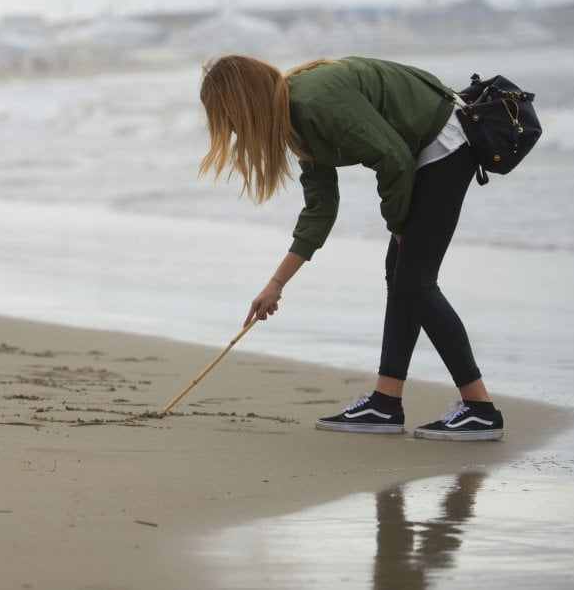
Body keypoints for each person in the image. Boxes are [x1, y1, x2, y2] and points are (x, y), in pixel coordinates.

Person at [199, 54, 504, 441]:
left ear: (243, 103)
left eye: (229, 118)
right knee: (404, 278)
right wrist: (275, 285)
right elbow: (320, 209)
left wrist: (397, 226)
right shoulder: (294, 117)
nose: (233, 130)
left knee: (413, 281)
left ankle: (479, 409)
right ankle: (385, 403)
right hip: (425, 151)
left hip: (444, 144)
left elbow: (391, 156)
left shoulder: (312, 101)